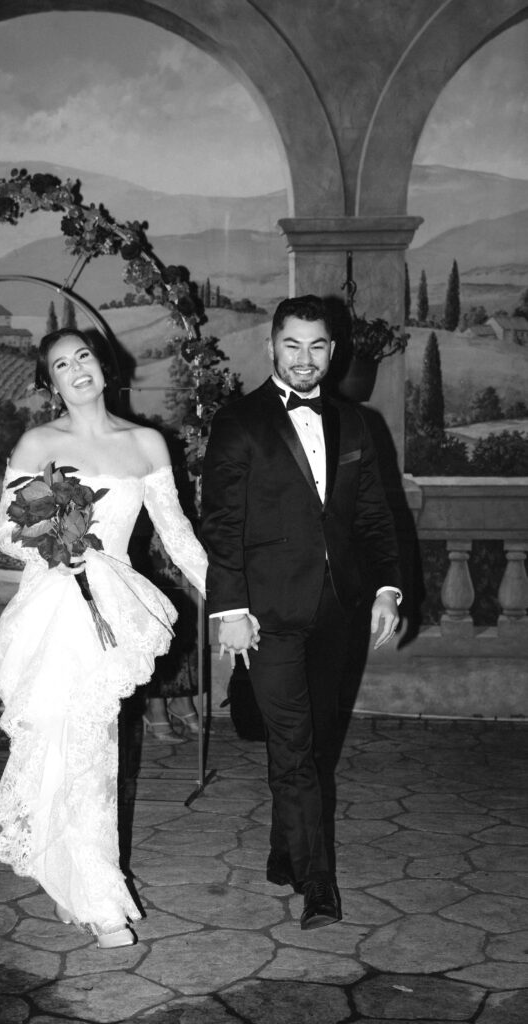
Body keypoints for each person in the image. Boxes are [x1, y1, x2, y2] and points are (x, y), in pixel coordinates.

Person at [0, 326, 207, 949]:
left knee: (93, 744)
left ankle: (97, 896)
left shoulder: (146, 444)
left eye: (83, 355)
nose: (75, 369)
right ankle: (74, 880)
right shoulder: (39, 441)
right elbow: (6, 533)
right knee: (56, 737)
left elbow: (178, 535)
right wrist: (54, 538)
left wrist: (231, 602)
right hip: (51, 609)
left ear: (102, 366)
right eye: (61, 364)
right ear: (51, 383)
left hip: (110, 608)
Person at [200, 294, 402, 930]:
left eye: (317, 346)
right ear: (271, 348)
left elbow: (374, 515)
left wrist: (387, 590)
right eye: (292, 345)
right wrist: (229, 608)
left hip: (339, 613)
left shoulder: (358, 423)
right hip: (268, 615)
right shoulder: (239, 421)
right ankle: (319, 887)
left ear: (332, 351)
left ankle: (285, 850)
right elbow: (222, 524)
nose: (305, 358)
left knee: (318, 748)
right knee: (293, 748)